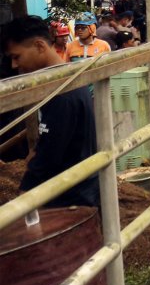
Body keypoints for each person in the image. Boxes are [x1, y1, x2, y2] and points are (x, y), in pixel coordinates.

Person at [1, 15, 99, 207]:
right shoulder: (67, 79)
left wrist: (26, 192)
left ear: (39, 46)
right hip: (78, 190)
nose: (14, 65)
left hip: (67, 200)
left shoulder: (61, 94)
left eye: (16, 56)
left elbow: (50, 154)